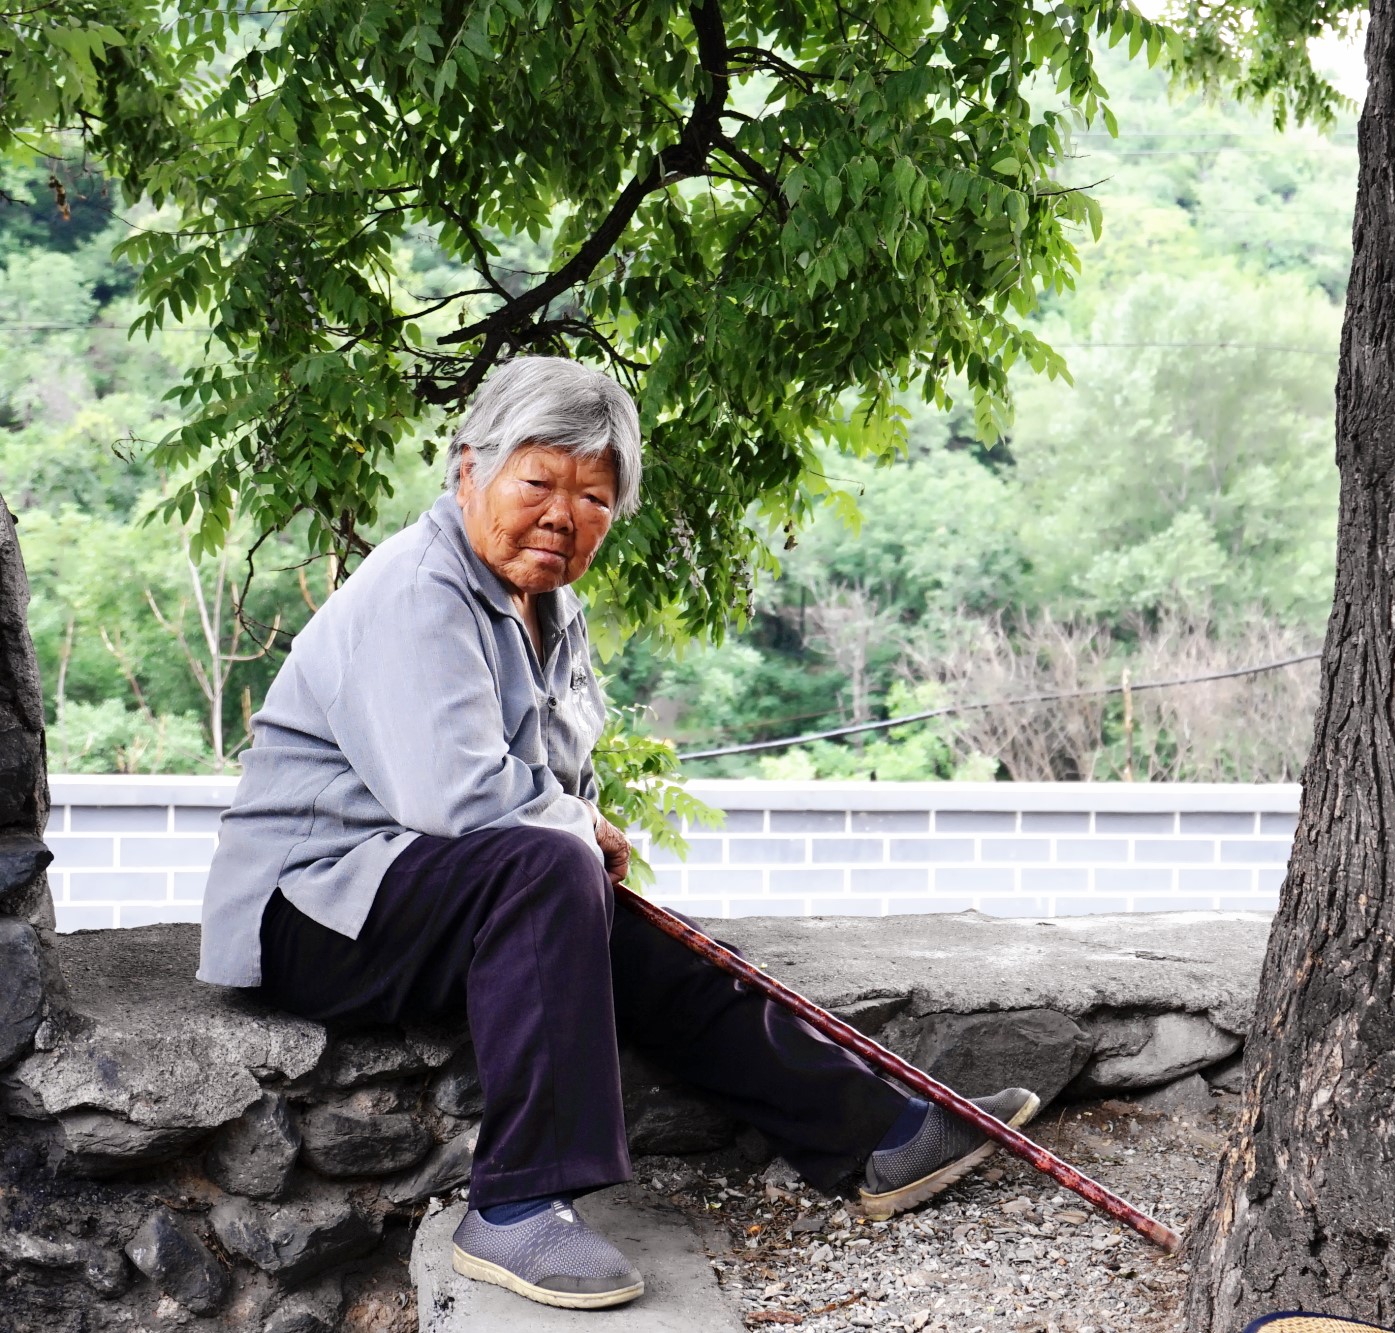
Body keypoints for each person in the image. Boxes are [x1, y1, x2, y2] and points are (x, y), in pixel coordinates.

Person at [197, 356, 1036, 1311]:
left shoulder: (550, 605)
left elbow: (556, 783)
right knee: (559, 861)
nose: (563, 514)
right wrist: (579, 829)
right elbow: (458, 798)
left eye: (593, 496)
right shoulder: (416, 589)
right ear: (468, 468)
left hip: (445, 893)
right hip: (314, 909)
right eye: (539, 481)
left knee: (649, 935)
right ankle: (514, 1204)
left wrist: (584, 844)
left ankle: (878, 1136)